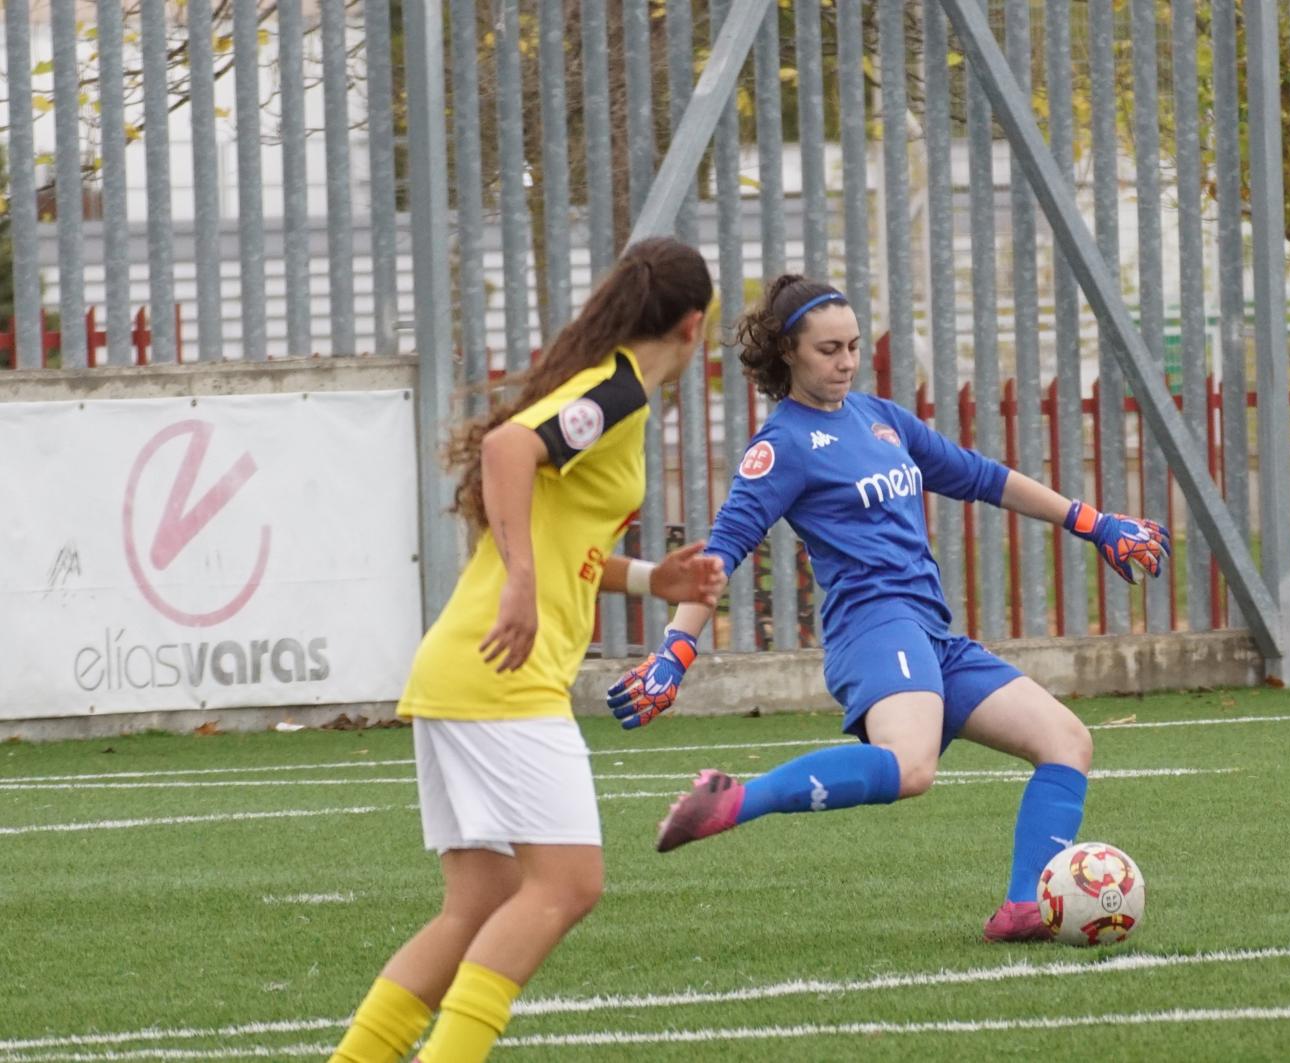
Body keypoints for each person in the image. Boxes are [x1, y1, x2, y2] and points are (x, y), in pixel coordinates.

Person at [605, 274, 1168, 943]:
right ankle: (734, 799)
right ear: (787, 352)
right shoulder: (780, 446)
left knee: (1067, 741)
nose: (845, 362)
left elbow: (983, 477)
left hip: (930, 632)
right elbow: (722, 552)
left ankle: (1022, 907)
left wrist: (1095, 522)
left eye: (852, 347)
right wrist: (677, 652)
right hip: (874, 626)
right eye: (827, 350)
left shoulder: (880, 417)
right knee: (911, 766)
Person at [329, 237, 726, 1063]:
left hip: (462, 673)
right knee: (569, 884)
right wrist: (517, 580)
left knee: (479, 904)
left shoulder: (610, 391)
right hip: (501, 675)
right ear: (695, 325)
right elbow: (509, 448)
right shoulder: (616, 389)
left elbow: (568, 542)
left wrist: (655, 580)